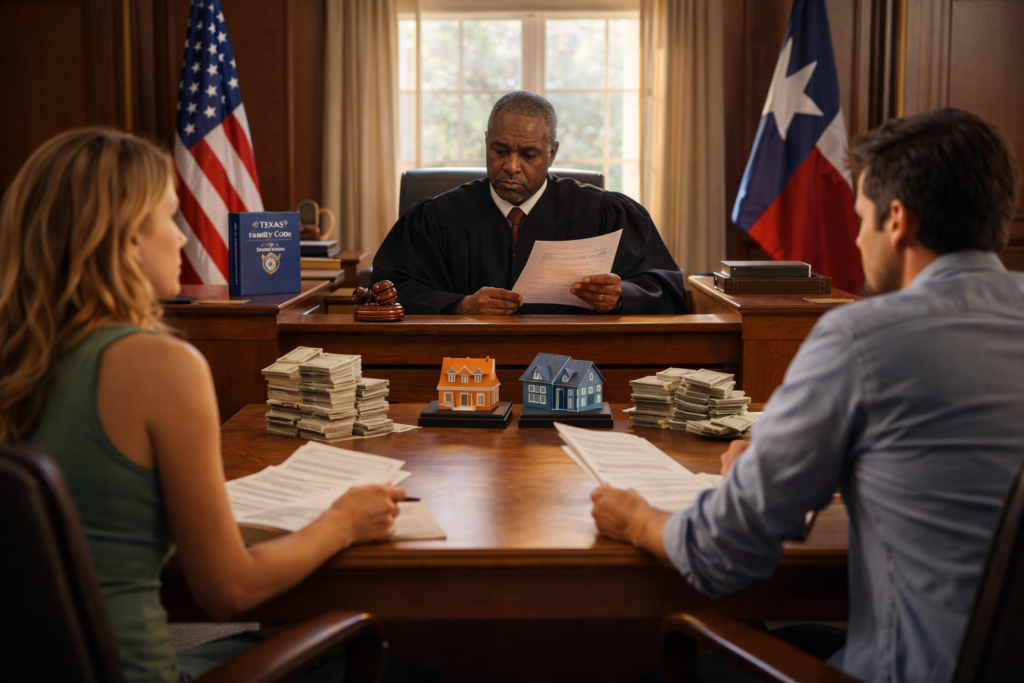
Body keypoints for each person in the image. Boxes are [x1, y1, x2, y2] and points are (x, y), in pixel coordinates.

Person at [590, 109, 1024, 683]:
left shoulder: (864, 338)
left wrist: (639, 519)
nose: (856, 236)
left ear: (898, 221)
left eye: (862, 217)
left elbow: (725, 552)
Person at [0, 129, 406, 683]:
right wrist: (343, 522)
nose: (184, 240)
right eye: (168, 218)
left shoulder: (19, 356)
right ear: (127, 241)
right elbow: (228, 590)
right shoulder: (159, 367)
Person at [372, 90, 689, 315]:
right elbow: (388, 290)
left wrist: (619, 298)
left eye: (528, 154)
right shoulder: (437, 218)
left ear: (551, 152)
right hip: (465, 363)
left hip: (577, 366)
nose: (511, 165)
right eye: (499, 150)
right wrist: (460, 305)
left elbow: (665, 286)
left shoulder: (604, 213)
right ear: (486, 142)